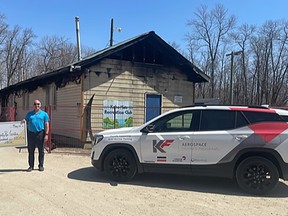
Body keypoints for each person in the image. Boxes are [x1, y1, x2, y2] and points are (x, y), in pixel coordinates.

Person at [24, 100, 49, 172]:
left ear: (40, 105)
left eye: (38, 104)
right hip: (31, 134)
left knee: (41, 151)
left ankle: (41, 165)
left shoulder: (44, 114)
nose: (36, 105)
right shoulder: (29, 114)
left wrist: (46, 134)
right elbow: (25, 121)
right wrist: (23, 121)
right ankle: (31, 166)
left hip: (40, 134)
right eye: (35, 104)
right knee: (31, 151)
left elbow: (47, 124)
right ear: (33, 105)